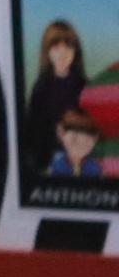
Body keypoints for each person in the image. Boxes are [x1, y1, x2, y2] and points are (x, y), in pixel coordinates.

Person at [26, 20, 94, 190]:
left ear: (75, 52)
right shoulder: (40, 88)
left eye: (68, 48)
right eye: (56, 48)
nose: (62, 54)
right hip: (48, 162)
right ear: (47, 52)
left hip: (82, 159)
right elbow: (33, 132)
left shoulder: (85, 86)